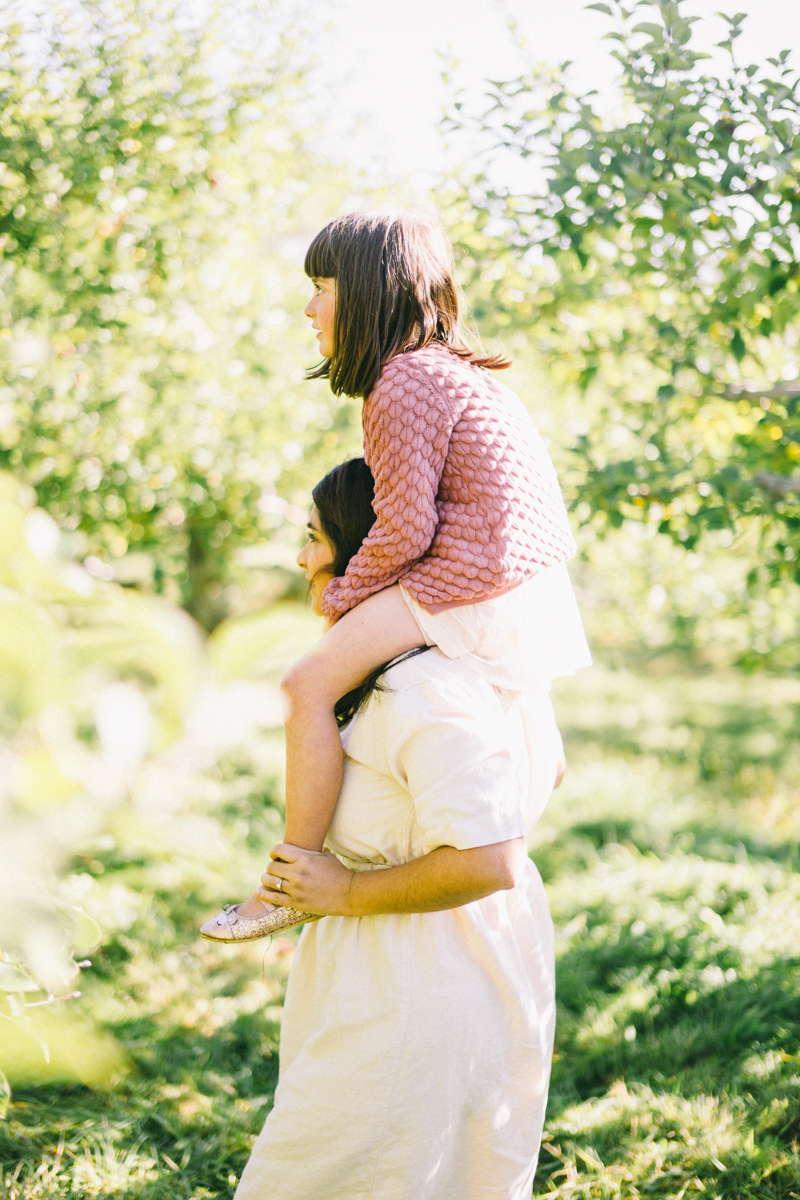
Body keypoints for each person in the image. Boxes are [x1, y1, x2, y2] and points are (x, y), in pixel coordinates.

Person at [201, 209, 590, 941]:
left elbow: (406, 530)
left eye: (323, 286)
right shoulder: (453, 374)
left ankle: (290, 881)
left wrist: (345, 598)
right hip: (516, 584)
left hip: (469, 580)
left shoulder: (401, 382)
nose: (310, 307)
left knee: (305, 684)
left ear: (369, 290)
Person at [231, 458, 563, 1200]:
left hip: (428, 983)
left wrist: (347, 888)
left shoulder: (423, 688)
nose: (300, 559)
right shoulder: (396, 674)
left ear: (362, 551)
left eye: (313, 537)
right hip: (400, 966)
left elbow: (492, 858)